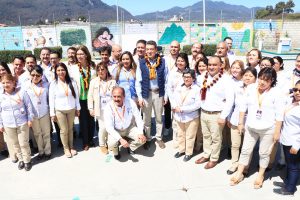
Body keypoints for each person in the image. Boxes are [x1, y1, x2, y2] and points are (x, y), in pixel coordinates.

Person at [230, 67, 284, 189]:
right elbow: (243, 106)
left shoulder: (276, 93)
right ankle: (239, 173)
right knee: (245, 150)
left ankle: (260, 175)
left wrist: (277, 132)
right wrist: (240, 123)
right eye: (260, 78)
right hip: (251, 126)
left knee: (264, 153)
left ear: (272, 80)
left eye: (266, 80)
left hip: (268, 128)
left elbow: (280, 114)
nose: (262, 82)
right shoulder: (250, 88)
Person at [195, 56, 234, 169]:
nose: (211, 67)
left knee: (216, 138)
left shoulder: (226, 79)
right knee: (206, 136)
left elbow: (230, 100)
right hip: (204, 112)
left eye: (214, 65)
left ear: (220, 65)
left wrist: (223, 116)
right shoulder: (202, 77)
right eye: (210, 65)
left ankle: (214, 158)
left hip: (217, 114)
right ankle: (206, 154)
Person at [136, 40, 168, 149]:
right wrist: (140, 97)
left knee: (159, 118)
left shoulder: (163, 62)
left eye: (151, 49)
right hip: (146, 94)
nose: (149, 51)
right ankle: (148, 138)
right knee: (146, 119)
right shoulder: (141, 63)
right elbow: (138, 81)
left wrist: (166, 96)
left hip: (159, 93)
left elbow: (166, 80)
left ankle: (159, 138)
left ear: (155, 50)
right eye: (147, 49)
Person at [0, 74, 34, 171]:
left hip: (22, 122)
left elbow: (29, 106)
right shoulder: (1, 95)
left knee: (23, 143)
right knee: (15, 143)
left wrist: (29, 118)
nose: (6, 85)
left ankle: (27, 160)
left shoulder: (21, 92)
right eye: (3, 83)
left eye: (8, 82)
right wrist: (0, 124)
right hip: (8, 124)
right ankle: (21, 160)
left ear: (13, 83)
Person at [227, 66, 257, 175]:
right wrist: (228, 117)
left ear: (255, 78)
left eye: (251, 76)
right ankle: (234, 163)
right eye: (245, 75)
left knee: (247, 147)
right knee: (235, 144)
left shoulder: (258, 90)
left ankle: (245, 166)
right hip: (236, 119)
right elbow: (231, 104)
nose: (247, 78)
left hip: (250, 122)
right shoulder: (236, 87)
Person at [104, 87, 146, 160]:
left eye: (119, 96)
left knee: (142, 140)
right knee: (111, 144)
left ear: (124, 96)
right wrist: (120, 139)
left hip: (129, 128)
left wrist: (141, 133)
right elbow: (109, 127)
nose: (116, 99)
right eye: (114, 96)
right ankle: (116, 151)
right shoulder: (108, 107)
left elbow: (138, 118)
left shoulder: (130, 102)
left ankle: (130, 147)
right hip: (116, 129)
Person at [273, 80, 300, 196]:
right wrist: (291, 92)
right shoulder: (293, 102)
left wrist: (297, 144)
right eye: (296, 90)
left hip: (294, 141)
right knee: (289, 164)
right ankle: (288, 182)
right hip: (286, 139)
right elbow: (281, 96)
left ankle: (290, 189)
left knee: (294, 166)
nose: (297, 92)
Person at [49, 63, 80, 158]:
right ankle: (66, 148)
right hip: (59, 110)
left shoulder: (72, 81)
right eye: (58, 70)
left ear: (66, 71)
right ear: (56, 72)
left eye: (62, 70)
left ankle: (71, 146)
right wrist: (52, 113)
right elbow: (51, 99)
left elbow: (76, 96)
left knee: (70, 128)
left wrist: (77, 108)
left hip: (71, 109)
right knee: (64, 130)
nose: (61, 72)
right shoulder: (53, 83)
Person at [171, 69, 201, 162]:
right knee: (180, 134)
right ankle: (181, 150)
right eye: (185, 77)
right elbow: (173, 98)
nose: (186, 79)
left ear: (193, 78)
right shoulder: (179, 87)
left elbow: (197, 104)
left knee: (190, 136)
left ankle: (188, 153)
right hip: (179, 116)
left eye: (189, 77)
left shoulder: (197, 89)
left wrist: (183, 109)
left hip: (191, 117)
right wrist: (174, 106)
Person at [70, 45, 96, 151]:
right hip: (80, 99)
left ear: (86, 54)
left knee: (91, 120)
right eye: (78, 54)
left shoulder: (93, 67)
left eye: (81, 54)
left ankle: (90, 139)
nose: (79, 56)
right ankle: (85, 142)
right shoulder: (74, 68)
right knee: (83, 121)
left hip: (92, 98)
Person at [88, 62, 116, 155]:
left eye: (102, 69)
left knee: (110, 126)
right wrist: (91, 108)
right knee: (102, 127)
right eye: (98, 70)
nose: (100, 71)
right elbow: (90, 96)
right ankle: (102, 144)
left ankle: (109, 143)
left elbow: (116, 94)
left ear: (106, 70)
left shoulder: (112, 81)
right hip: (100, 109)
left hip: (111, 109)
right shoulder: (94, 81)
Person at [24, 65, 51, 160]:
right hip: (33, 114)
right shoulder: (26, 85)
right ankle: (41, 151)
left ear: (41, 76)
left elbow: (49, 99)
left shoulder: (46, 85)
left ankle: (48, 151)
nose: (35, 77)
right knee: (37, 134)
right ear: (30, 74)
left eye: (38, 75)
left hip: (44, 113)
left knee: (46, 133)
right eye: (33, 75)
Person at [167, 52, 190, 147]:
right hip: (176, 102)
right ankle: (177, 141)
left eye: (182, 61)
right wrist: (173, 104)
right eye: (178, 61)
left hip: (187, 102)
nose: (180, 63)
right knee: (176, 123)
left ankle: (185, 142)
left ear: (186, 62)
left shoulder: (189, 72)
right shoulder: (172, 73)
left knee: (186, 123)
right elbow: (169, 89)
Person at [0, 62, 16, 162]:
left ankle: (15, 151)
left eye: (3, 69)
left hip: (11, 108)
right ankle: (3, 148)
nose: (1, 72)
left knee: (11, 132)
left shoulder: (12, 79)